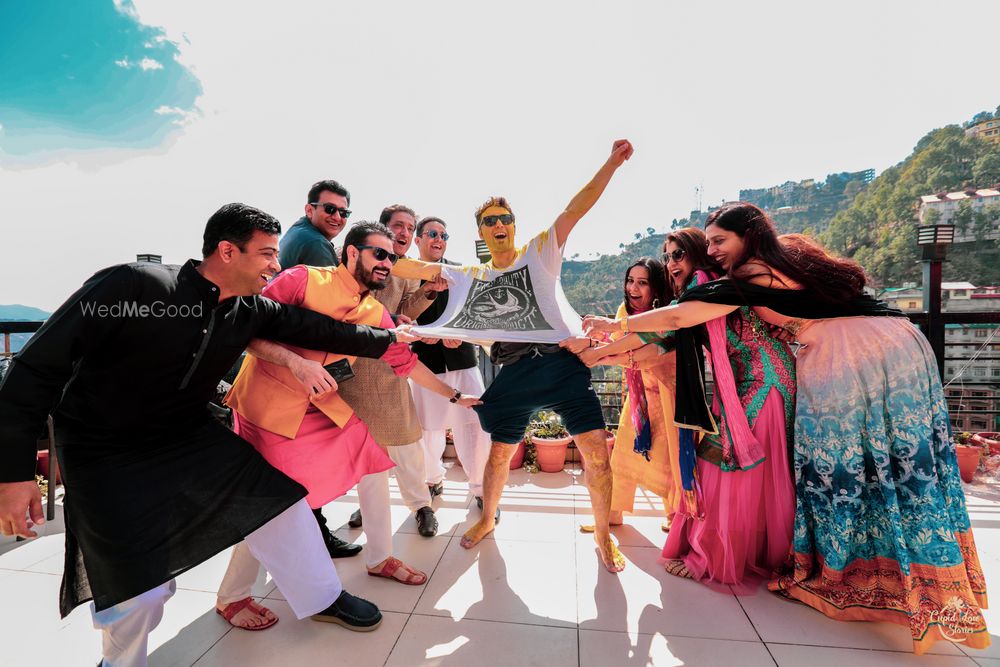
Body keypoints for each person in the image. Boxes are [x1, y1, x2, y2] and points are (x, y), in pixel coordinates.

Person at [0, 203, 420, 666]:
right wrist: (13, 474)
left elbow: (323, 330)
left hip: (186, 434)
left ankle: (322, 597)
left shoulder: (247, 310)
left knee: (279, 499)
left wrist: (394, 340)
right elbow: (32, 371)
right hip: (102, 449)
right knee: (141, 591)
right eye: (266, 254)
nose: (276, 265)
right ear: (226, 251)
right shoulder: (133, 285)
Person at [584, 203, 989, 653]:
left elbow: (679, 318)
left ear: (749, 236)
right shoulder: (776, 261)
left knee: (846, 468)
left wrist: (613, 325)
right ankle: (888, 580)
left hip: (856, 353)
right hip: (892, 343)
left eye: (720, 240)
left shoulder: (752, 275)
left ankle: (862, 576)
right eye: (709, 242)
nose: (713, 249)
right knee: (879, 470)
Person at [216, 220, 481, 625]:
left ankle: (378, 558)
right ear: (351, 252)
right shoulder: (301, 280)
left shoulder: (375, 312)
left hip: (321, 409)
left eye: (392, 257)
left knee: (369, 458)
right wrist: (295, 362)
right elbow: (242, 328)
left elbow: (405, 364)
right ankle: (234, 596)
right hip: (266, 409)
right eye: (379, 253)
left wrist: (458, 397)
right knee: (273, 503)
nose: (387, 263)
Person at [395, 139, 634, 572]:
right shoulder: (472, 276)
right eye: (490, 221)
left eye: (505, 218)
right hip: (513, 372)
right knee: (499, 454)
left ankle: (603, 537)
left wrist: (611, 164)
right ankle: (487, 518)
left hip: (562, 367)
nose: (499, 224)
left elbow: (575, 209)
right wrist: (380, 256)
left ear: (514, 226)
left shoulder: (541, 251)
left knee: (597, 454)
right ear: (482, 233)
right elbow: (411, 269)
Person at [583, 227, 797, 591]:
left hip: (764, 380)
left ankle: (715, 555)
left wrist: (607, 336)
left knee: (725, 466)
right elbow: (660, 334)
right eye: (667, 256)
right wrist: (605, 347)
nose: (671, 263)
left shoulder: (707, 283)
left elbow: (669, 324)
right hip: (751, 379)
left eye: (677, 254)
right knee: (742, 470)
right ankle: (742, 551)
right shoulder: (701, 287)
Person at [340, 205, 449, 537]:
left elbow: (405, 311)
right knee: (365, 445)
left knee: (407, 445)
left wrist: (428, 292)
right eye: (398, 226)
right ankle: (369, 504)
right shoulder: (365, 261)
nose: (404, 232)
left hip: (390, 366)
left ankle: (422, 507)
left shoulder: (407, 271)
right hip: (354, 368)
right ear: (384, 230)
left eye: (409, 227)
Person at [562, 257, 680, 534]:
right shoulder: (623, 312)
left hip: (667, 393)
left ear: (656, 288)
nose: (633, 288)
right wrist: (593, 343)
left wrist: (596, 351)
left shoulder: (663, 315)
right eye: (630, 281)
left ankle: (676, 515)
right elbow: (616, 344)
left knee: (669, 458)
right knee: (624, 454)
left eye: (642, 283)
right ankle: (613, 513)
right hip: (639, 396)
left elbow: (637, 348)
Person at [410, 216, 492, 512]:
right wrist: (421, 338)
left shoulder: (461, 273)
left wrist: (461, 334)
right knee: (426, 431)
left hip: (464, 361)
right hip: (425, 366)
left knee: (476, 427)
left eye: (444, 234)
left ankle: (484, 490)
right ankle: (432, 481)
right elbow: (399, 317)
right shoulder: (406, 276)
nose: (439, 239)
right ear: (417, 239)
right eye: (432, 233)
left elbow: (478, 315)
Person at [279, 179, 352, 268]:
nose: (337, 217)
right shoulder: (316, 243)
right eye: (329, 209)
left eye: (343, 212)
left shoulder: (299, 228)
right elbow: (330, 282)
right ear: (309, 210)